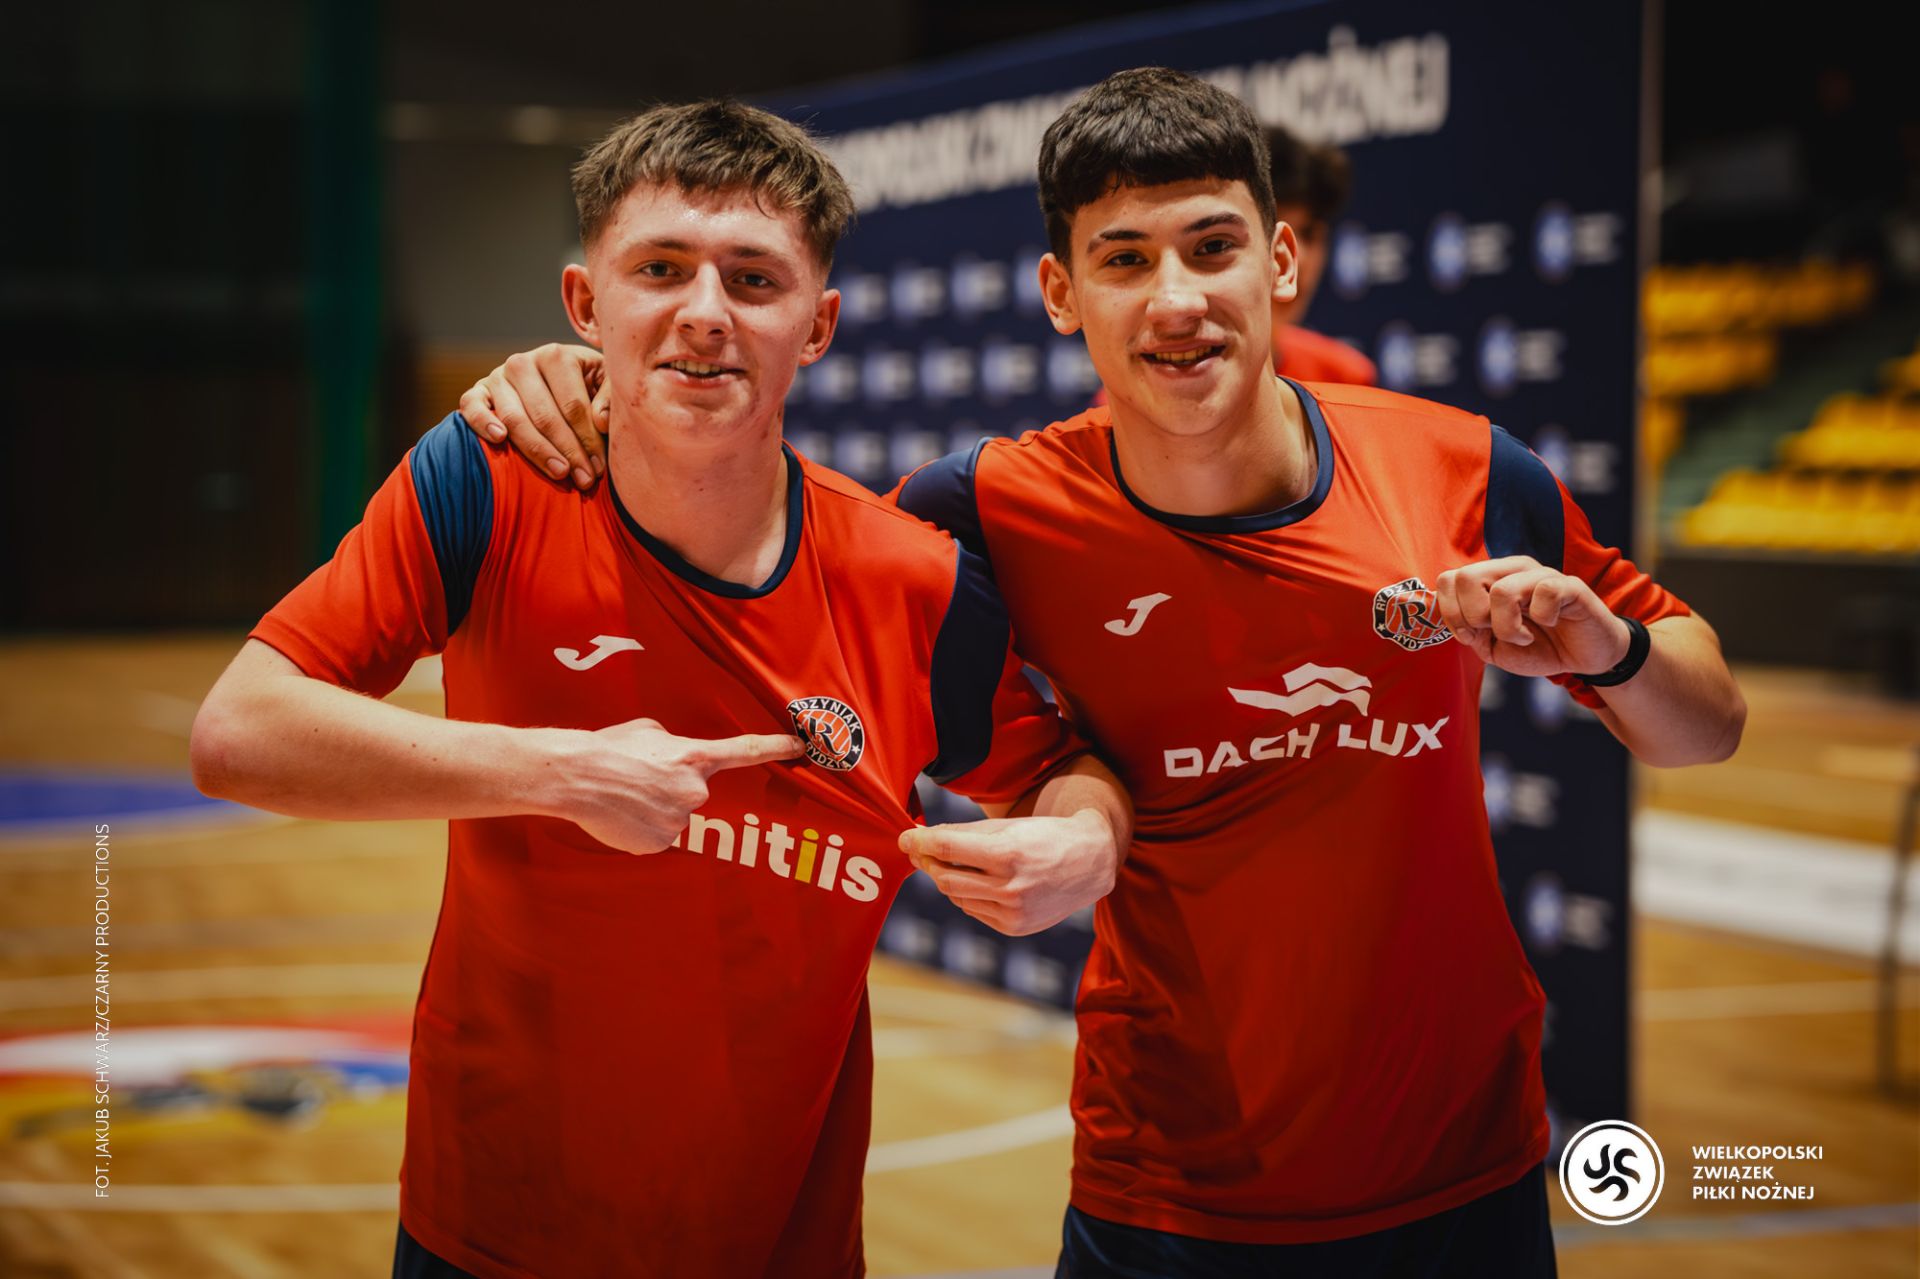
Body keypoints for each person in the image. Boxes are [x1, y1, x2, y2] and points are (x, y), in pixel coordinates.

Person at [463, 69, 1745, 1278]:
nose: (1174, 299)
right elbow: (766, 550)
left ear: (1281, 263)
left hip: (1466, 1165)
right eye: (1124, 260)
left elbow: (1705, 727)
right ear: (1061, 293)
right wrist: (581, 382)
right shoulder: (982, 510)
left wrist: (1614, 651)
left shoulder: (1463, 466)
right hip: (1167, 1182)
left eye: (1211, 246)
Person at [191, 100, 1130, 1279]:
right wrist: (560, 770)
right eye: (661, 269)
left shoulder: (915, 581)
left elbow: (1056, 772)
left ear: (819, 324)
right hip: (490, 1229)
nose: (704, 311)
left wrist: (1083, 842)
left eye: (754, 278)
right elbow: (239, 731)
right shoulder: (489, 481)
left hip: (780, 1244)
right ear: (586, 303)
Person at [1266, 126, 1378, 385]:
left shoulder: (1343, 377)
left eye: (1309, 234)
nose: (1298, 258)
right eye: (1274, 232)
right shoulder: (1185, 378)